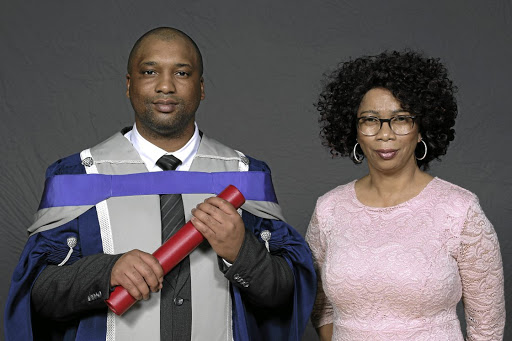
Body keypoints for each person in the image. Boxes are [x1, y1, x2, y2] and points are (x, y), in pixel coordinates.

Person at [5, 27, 316, 341]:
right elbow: (39, 298)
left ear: (202, 87)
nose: (166, 86)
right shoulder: (78, 175)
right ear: (130, 85)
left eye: (181, 73)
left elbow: (282, 297)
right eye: (150, 71)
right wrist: (104, 272)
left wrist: (241, 253)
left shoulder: (245, 175)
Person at [306, 50, 505, 340]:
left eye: (400, 119)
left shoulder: (459, 210)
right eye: (370, 119)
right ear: (355, 130)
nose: (384, 134)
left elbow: (487, 326)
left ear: (421, 128)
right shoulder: (329, 209)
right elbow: (321, 307)